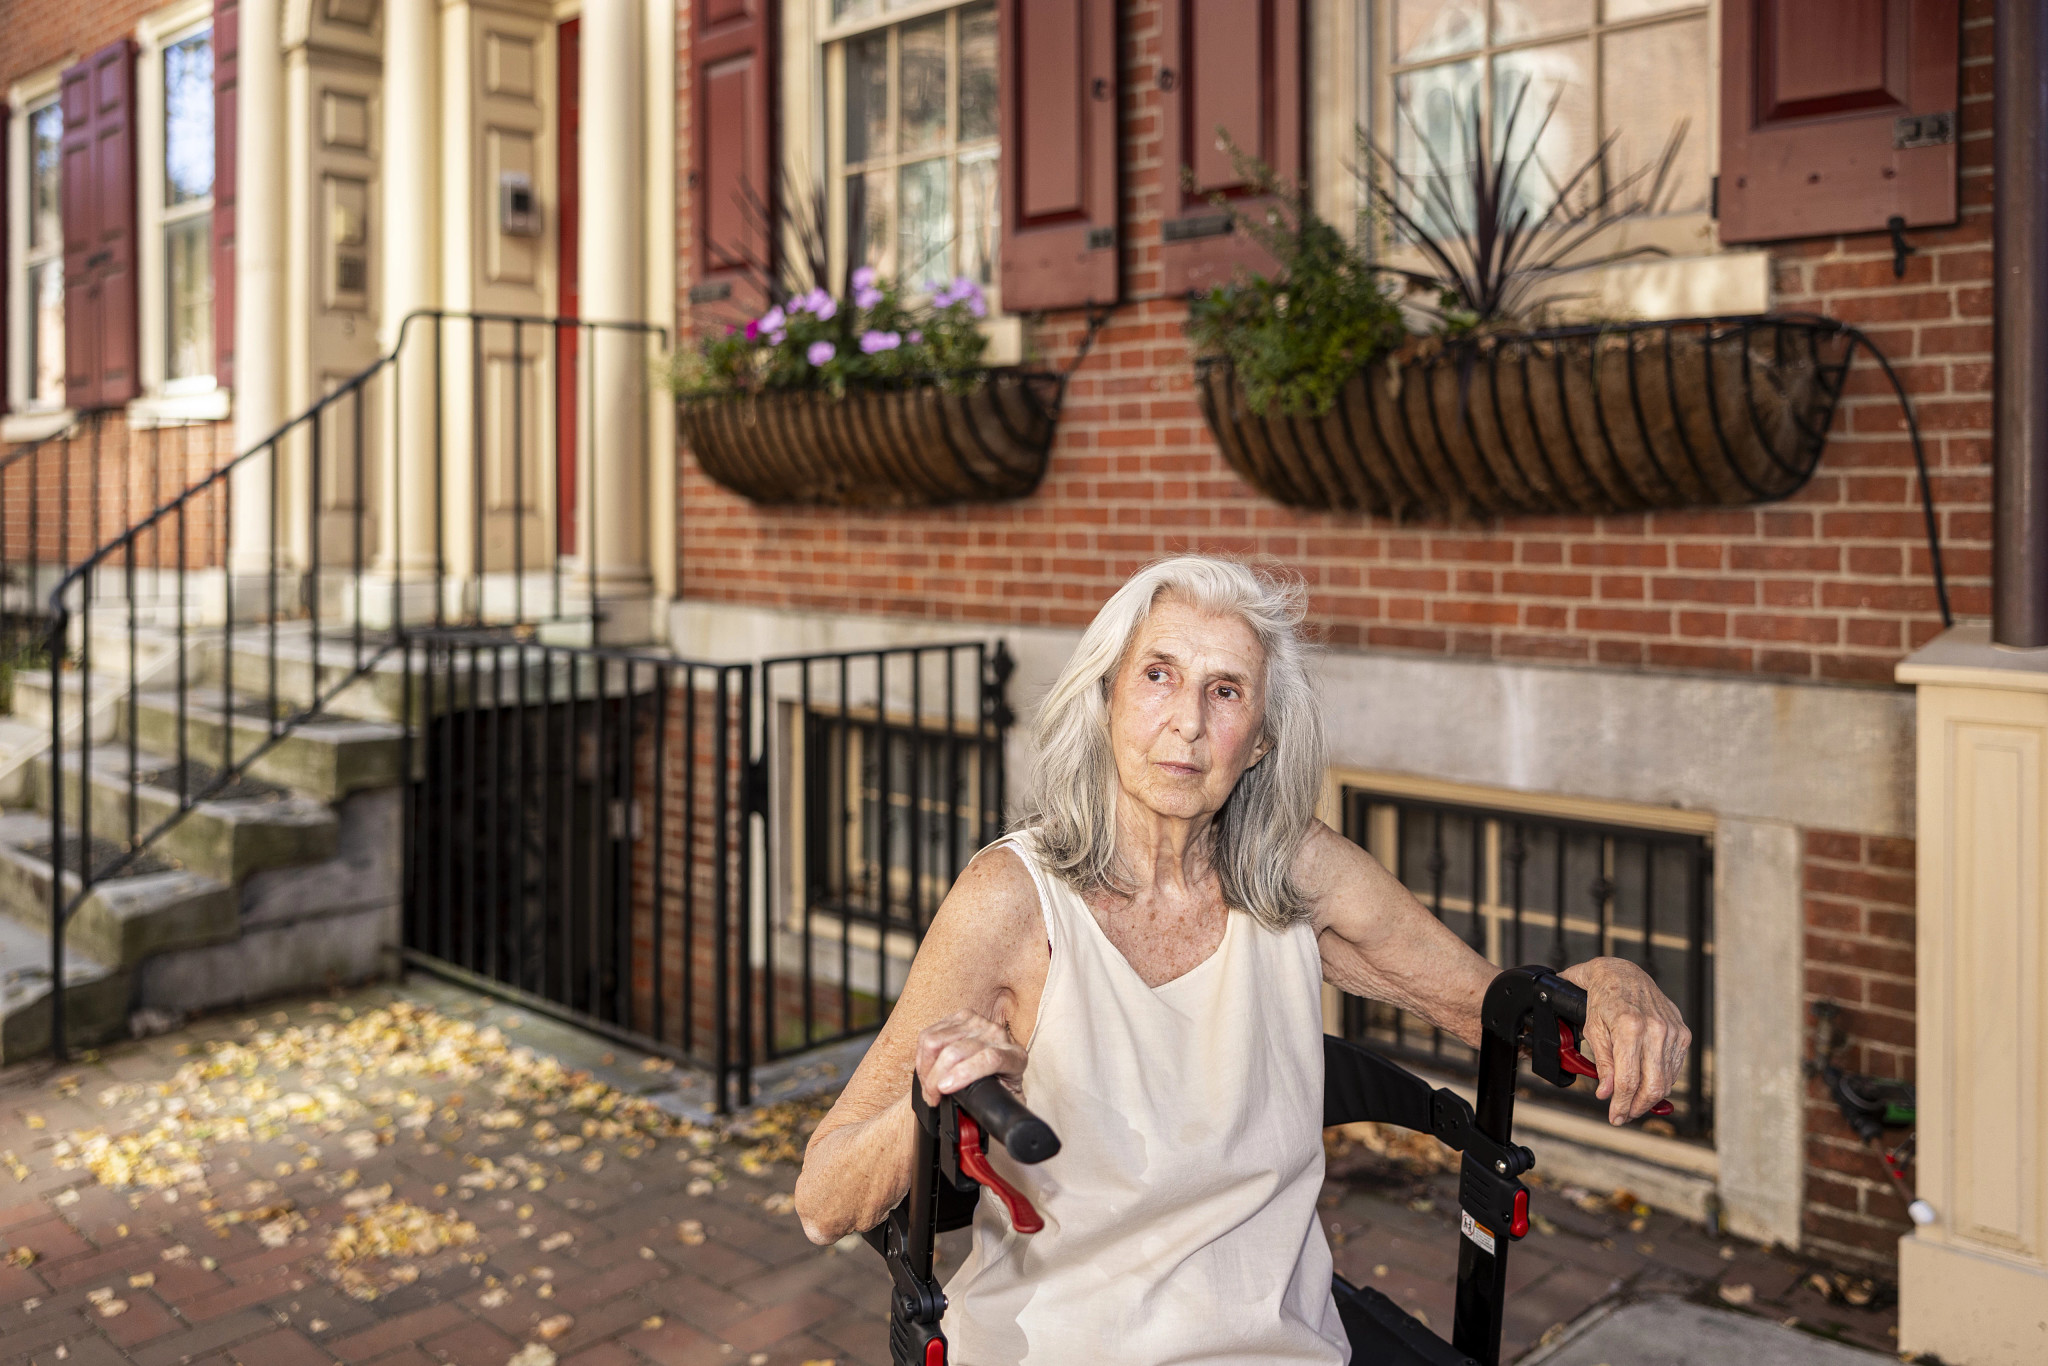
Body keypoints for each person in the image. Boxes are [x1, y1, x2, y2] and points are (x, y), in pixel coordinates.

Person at [794, 555, 1691, 1364]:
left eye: (1226, 691)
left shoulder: (1297, 871)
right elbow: (824, 1198)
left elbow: (1488, 1004)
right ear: (1107, 699)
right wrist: (930, 1096)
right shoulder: (1012, 900)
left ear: (1260, 738)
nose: (1186, 720)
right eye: (1158, 676)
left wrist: (1612, 979)